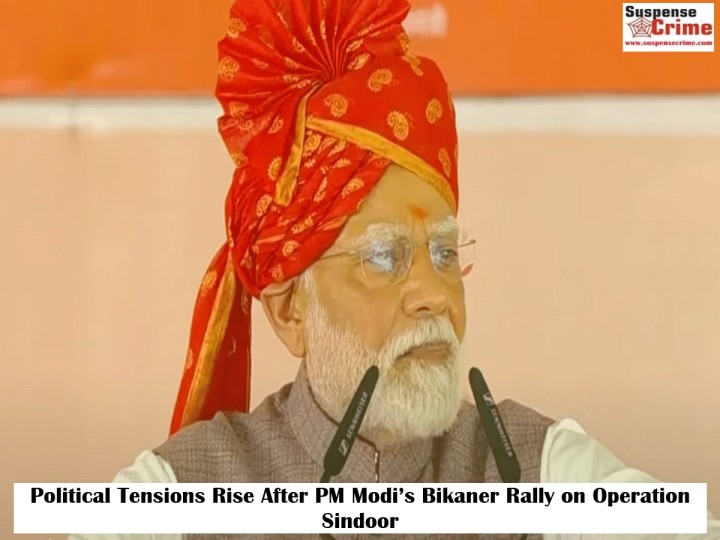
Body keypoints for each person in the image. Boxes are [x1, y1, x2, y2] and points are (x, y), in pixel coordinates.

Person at [72, 0, 719, 538]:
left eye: (445, 253)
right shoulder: (181, 492)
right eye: (384, 257)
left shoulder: (539, 469)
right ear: (290, 311)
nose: (433, 295)